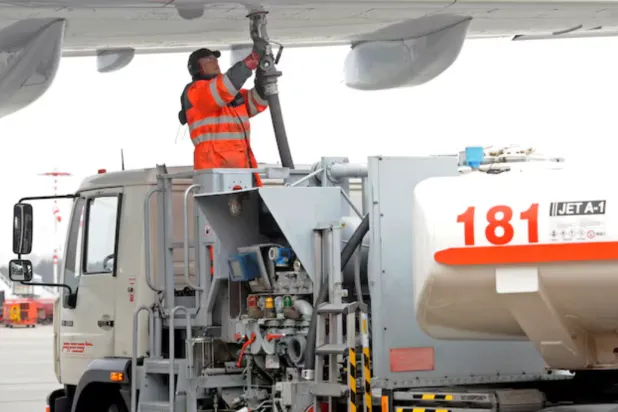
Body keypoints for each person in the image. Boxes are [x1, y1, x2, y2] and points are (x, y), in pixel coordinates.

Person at [178, 40, 270, 186]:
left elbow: (257, 102)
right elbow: (224, 88)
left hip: (241, 173)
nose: (215, 62)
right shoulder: (196, 91)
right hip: (216, 175)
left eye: (215, 59)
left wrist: (263, 79)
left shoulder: (229, 94)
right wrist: (251, 60)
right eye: (208, 60)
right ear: (197, 67)